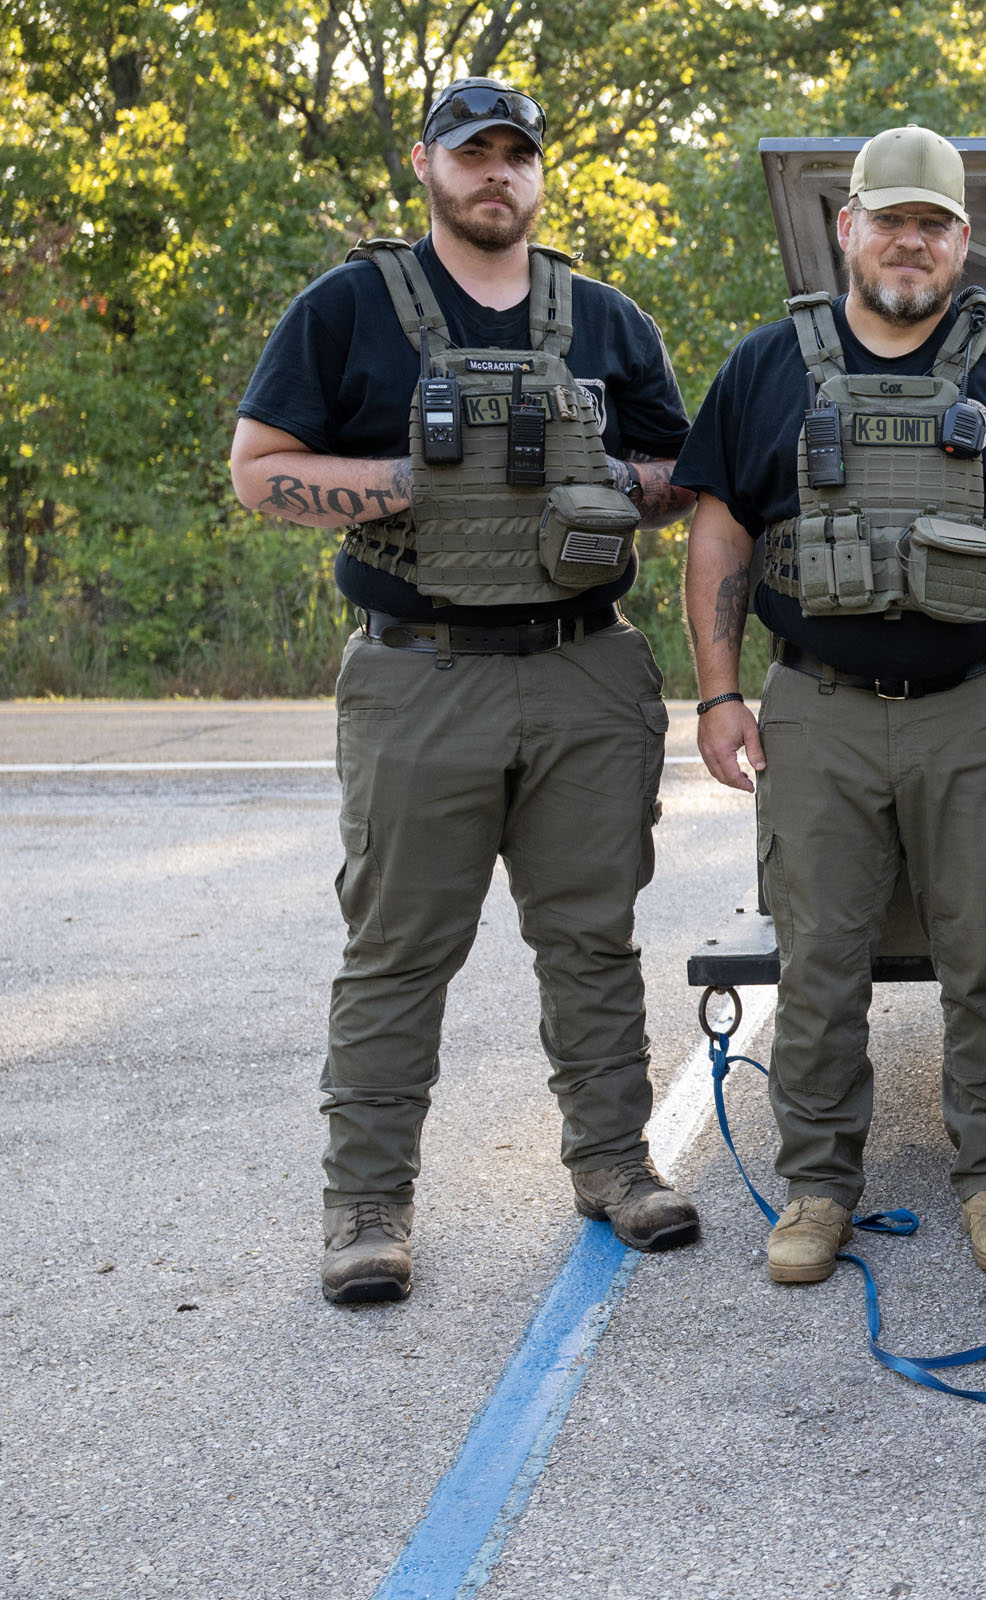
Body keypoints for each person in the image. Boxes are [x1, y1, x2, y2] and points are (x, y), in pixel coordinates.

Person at [229, 77, 701, 1303]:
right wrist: (418, 480)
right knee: (398, 949)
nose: (496, 173)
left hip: (585, 666)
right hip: (418, 670)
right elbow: (258, 472)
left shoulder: (605, 320)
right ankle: (367, 1200)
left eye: (516, 155)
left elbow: (681, 472)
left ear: (541, 174)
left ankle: (612, 1162)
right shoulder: (349, 308)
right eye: (472, 153)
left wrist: (606, 483)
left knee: (591, 937)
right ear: (431, 168)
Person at [678, 126, 986, 1285]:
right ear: (848, 227)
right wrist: (718, 691)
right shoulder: (769, 365)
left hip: (976, 704)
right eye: (891, 220)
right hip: (817, 706)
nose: (910, 243)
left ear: (963, 242)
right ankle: (818, 1183)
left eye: (935, 225)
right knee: (820, 959)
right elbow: (720, 526)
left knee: (983, 955)